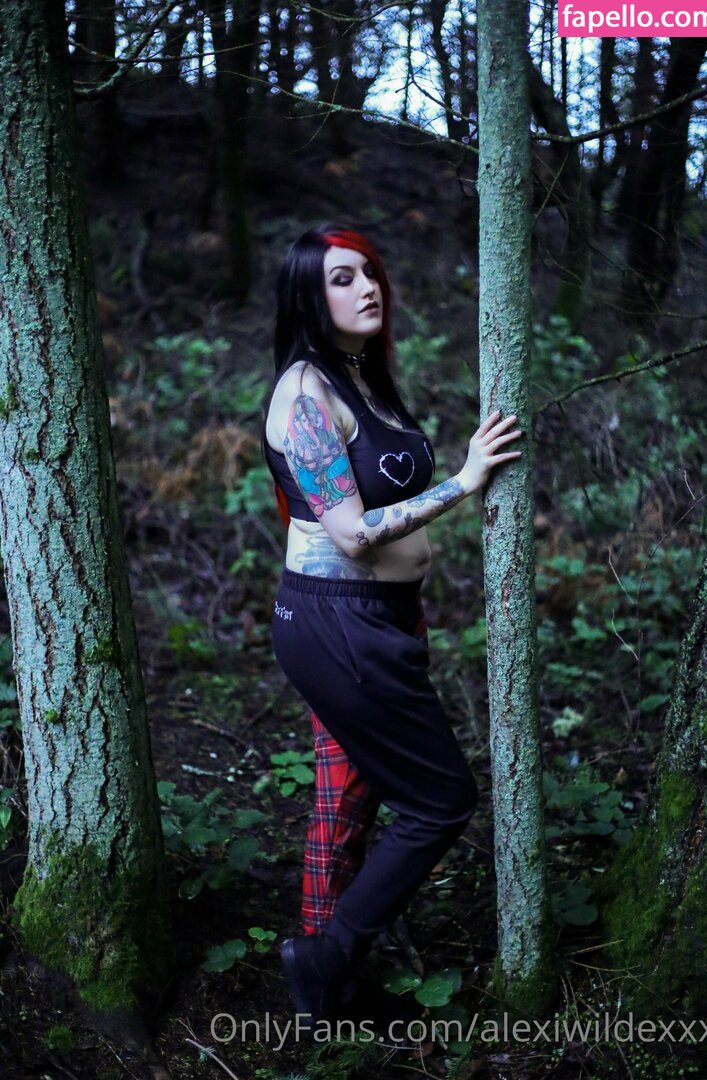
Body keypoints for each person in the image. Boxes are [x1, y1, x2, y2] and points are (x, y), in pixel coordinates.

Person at [263, 223, 524, 1025]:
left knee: (348, 798)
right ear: (308, 297)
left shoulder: (360, 378)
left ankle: (329, 987)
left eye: (370, 272)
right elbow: (349, 533)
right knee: (441, 800)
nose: (367, 287)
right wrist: (466, 482)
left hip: (380, 619)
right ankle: (325, 956)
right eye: (342, 278)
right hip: (339, 625)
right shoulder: (305, 394)